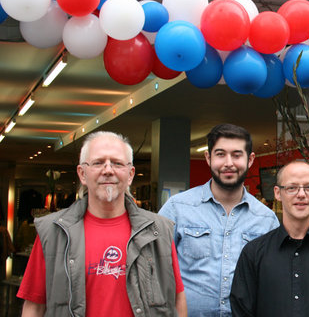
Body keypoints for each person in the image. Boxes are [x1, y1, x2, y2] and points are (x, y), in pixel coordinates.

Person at [17, 131, 186, 316]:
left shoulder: (158, 231)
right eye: (98, 163)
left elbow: (177, 299)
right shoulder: (53, 232)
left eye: (117, 163)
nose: (108, 170)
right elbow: (34, 306)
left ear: (130, 175)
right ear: (82, 173)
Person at [159, 123, 279, 316]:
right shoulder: (178, 208)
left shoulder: (266, 220)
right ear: (208, 158)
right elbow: (155, 267)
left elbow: (274, 281)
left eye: (237, 155)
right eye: (220, 154)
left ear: (250, 160)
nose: (228, 163)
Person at [230, 160, 309, 317]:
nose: (301, 194)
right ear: (277, 193)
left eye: (308, 187)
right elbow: (241, 312)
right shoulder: (253, 253)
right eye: (292, 188)